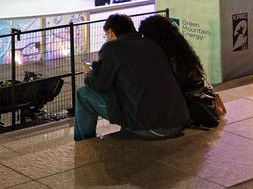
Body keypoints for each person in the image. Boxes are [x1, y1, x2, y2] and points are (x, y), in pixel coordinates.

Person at [74, 13, 190, 142]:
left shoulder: (112, 47)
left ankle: (83, 143)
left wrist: (88, 74)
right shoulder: (152, 44)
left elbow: (98, 84)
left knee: (83, 93)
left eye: (106, 35)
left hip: (150, 128)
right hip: (176, 123)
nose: (107, 39)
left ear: (111, 32)